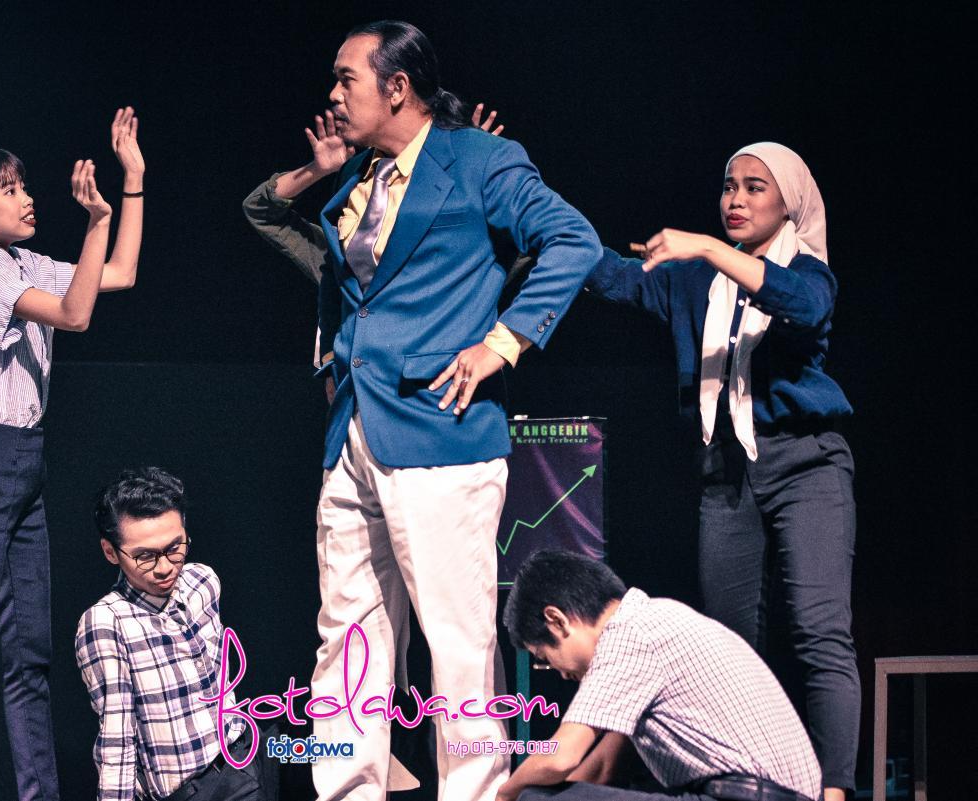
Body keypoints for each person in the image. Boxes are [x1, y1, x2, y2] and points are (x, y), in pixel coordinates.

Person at [302, 20, 603, 801]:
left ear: (397, 86)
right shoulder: (360, 178)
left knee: (458, 646)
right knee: (347, 639)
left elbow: (573, 240)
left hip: (442, 431)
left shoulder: (478, 160)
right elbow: (352, 289)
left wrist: (501, 343)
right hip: (355, 431)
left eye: (346, 78)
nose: (333, 94)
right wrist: (337, 363)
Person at [584, 142, 858, 800]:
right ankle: (751, 781)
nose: (736, 199)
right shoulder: (690, 278)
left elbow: (803, 309)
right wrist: (515, 186)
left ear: (788, 203)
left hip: (806, 462)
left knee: (818, 630)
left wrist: (708, 247)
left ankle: (835, 791)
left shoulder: (807, 273)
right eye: (729, 185)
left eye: (755, 188)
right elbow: (609, 274)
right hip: (724, 468)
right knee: (728, 643)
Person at [0, 108, 145, 801]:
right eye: (9, 190)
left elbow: (119, 275)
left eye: (24, 186)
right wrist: (95, 221)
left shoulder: (22, 262)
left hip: (23, 460)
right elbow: (75, 315)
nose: (27, 198)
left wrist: (129, 183)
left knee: (31, 656)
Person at [242, 104, 530, 397]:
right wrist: (317, 170)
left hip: (436, 393)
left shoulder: (451, 261)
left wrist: (473, 171)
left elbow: (528, 248)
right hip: (356, 393)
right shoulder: (342, 254)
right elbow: (260, 210)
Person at [498, 550, 823, 801]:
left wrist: (505, 794)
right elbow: (601, 770)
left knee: (532, 798)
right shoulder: (654, 624)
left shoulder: (630, 635)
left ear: (557, 620)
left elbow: (559, 758)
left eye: (545, 658)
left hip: (750, 796)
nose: (560, 673)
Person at [75, 467, 274, 801]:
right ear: (110, 552)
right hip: (187, 791)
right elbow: (117, 738)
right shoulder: (107, 622)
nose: (165, 566)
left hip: (242, 761)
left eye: (174, 547)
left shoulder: (202, 582)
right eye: (145, 556)